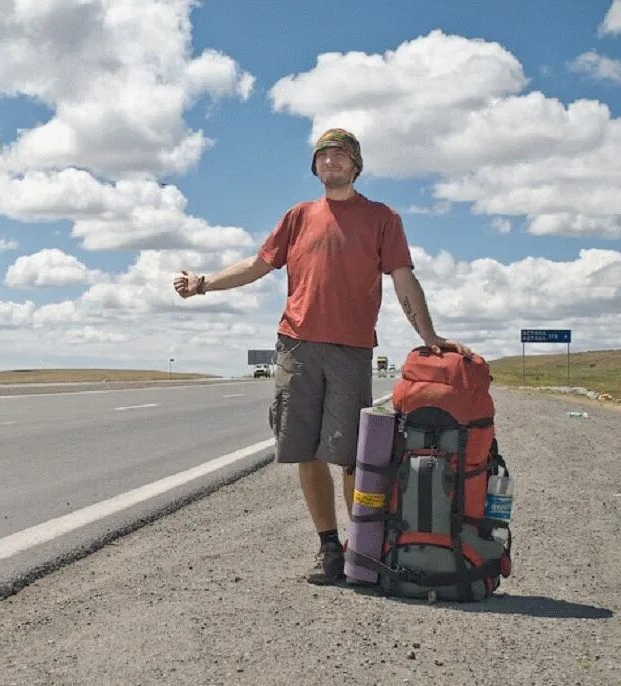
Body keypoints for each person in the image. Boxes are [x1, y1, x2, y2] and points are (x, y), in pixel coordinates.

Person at [173, 128, 470, 585]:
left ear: (355, 165)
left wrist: (429, 335)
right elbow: (257, 265)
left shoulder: (382, 217)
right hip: (296, 346)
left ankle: (362, 546)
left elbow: (403, 279)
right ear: (315, 166)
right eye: (323, 156)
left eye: (340, 155)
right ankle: (329, 548)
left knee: (353, 456)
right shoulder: (298, 216)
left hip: (350, 350)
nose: (331, 161)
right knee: (305, 450)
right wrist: (204, 283)